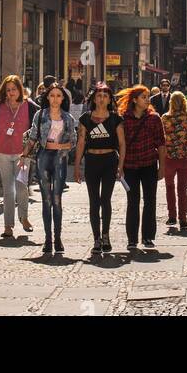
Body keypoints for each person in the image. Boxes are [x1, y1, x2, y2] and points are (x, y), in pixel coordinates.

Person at [22, 81, 77, 255]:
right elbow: (32, 137)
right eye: (52, 95)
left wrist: (62, 147)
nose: (55, 99)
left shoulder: (68, 118)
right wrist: (23, 156)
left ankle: (58, 238)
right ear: (47, 97)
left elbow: (73, 141)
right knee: (46, 200)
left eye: (58, 96)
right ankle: (47, 240)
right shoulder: (40, 114)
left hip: (60, 158)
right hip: (43, 157)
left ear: (63, 99)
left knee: (57, 200)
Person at [0, 74, 38, 239]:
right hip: (2, 152)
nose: (11, 93)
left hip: (23, 154)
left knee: (21, 186)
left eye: (14, 89)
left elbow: (38, 125)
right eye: (8, 90)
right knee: (8, 189)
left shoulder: (29, 106)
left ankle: (24, 217)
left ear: (20, 89)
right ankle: (8, 225)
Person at [74, 81, 125, 255]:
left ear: (110, 99)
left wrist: (121, 165)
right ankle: (96, 238)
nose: (102, 99)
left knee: (106, 200)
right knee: (94, 201)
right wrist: (76, 166)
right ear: (93, 99)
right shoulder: (85, 119)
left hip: (109, 160)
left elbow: (122, 143)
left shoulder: (116, 119)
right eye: (99, 96)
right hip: (92, 160)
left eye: (105, 96)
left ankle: (106, 235)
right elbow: (81, 142)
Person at [117, 85, 166, 249]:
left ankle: (148, 237)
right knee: (133, 201)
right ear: (135, 100)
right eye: (144, 97)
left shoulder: (154, 118)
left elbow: (161, 144)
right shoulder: (123, 118)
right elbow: (120, 144)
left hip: (149, 164)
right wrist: (120, 166)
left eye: (147, 97)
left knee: (150, 201)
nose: (147, 100)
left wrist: (162, 167)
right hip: (130, 165)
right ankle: (132, 239)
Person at [161, 89, 187, 230]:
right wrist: (185, 141)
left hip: (169, 157)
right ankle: (183, 219)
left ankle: (172, 217)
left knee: (169, 187)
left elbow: (161, 138)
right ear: (185, 102)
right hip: (186, 157)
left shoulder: (165, 118)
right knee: (182, 189)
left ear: (171, 103)